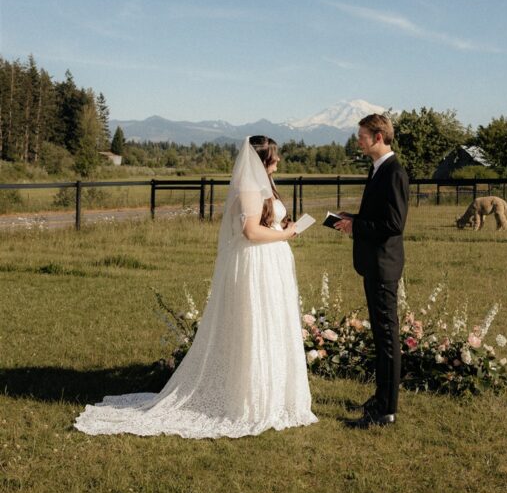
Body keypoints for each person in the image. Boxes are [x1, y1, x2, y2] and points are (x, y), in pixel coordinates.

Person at [74, 136, 317, 439]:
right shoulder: (250, 188)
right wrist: (286, 233)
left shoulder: (265, 185)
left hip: (271, 264)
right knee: (255, 324)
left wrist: (284, 228)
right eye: (275, 157)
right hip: (257, 265)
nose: (279, 161)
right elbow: (251, 231)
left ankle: (273, 390)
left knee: (271, 324)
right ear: (262, 159)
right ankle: (251, 398)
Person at [335, 114, 409, 428]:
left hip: (383, 265)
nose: (358, 140)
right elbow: (378, 216)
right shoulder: (377, 169)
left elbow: (393, 224)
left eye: (362, 135)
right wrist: (351, 217)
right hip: (374, 264)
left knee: (387, 338)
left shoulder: (393, 171)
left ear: (378, 137)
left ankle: (386, 410)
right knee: (381, 337)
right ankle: (381, 400)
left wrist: (357, 225)